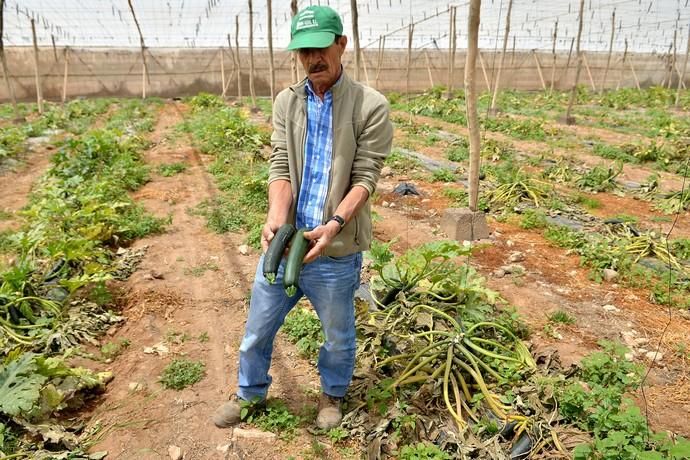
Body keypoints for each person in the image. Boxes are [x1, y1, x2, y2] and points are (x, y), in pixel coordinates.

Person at [212, 5, 393, 430]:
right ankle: (248, 393)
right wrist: (276, 217)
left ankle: (331, 396)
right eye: (303, 51)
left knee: (337, 335)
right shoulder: (286, 102)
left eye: (320, 48)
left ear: (341, 44)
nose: (312, 58)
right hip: (288, 240)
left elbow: (366, 177)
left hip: (334, 247)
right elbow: (280, 164)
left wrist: (334, 225)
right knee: (258, 327)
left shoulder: (370, 105)